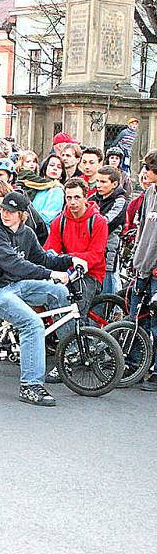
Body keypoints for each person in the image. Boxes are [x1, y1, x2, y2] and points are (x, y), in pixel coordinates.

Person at [0, 191, 84, 406]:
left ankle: (69, 355)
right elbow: (15, 264)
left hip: (16, 285)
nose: (5, 214)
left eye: (11, 212)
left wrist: (72, 260)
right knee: (32, 324)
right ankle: (30, 386)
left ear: (23, 214)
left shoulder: (27, 233)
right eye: (3, 210)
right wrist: (51, 275)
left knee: (59, 292)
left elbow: (42, 258)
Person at [43, 177, 108, 321]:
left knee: (74, 311)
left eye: (77, 197)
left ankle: (78, 341)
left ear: (86, 198)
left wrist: (69, 259)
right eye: (69, 197)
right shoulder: (59, 222)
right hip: (65, 271)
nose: (72, 202)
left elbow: (96, 255)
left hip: (91, 274)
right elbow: (50, 251)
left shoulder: (98, 222)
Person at [130, 150, 157, 391]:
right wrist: (137, 261)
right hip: (143, 265)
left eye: (149, 168)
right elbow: (143, 232)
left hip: (156, 270)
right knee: (136, 316)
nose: (145, 173)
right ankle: (134, 363)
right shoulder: (149, 193)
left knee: (156, 322)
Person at [89, 165, 128, 294]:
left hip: (109, 249)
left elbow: (107, 222)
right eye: (97, 181)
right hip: (91, 248)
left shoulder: (120, 201)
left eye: (103, 182)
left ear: (114, 184)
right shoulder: (94, 198)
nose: (98, 185)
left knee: (108, 285)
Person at [20, 153, 64, 226]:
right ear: (44, 168)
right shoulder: (36, 186)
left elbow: (48, 217)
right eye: (52, 165)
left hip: (43, 232)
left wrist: (26, 217)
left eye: (59, 167)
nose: (55, 168)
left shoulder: (57, 190)